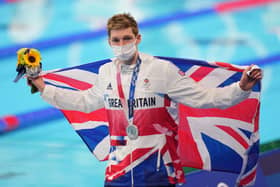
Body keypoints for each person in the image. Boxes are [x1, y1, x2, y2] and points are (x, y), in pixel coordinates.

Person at [29, 13, 262, 187]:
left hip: (159, 169)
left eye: (127, 38)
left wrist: (241, 88)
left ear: (138, 38)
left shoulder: (162, 70)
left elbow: (204, 98)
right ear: (109, 42)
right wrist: (43, 87)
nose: (122, 45)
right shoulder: (106, 72)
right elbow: (85, 102)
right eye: (117, 40)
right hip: (118, 170)